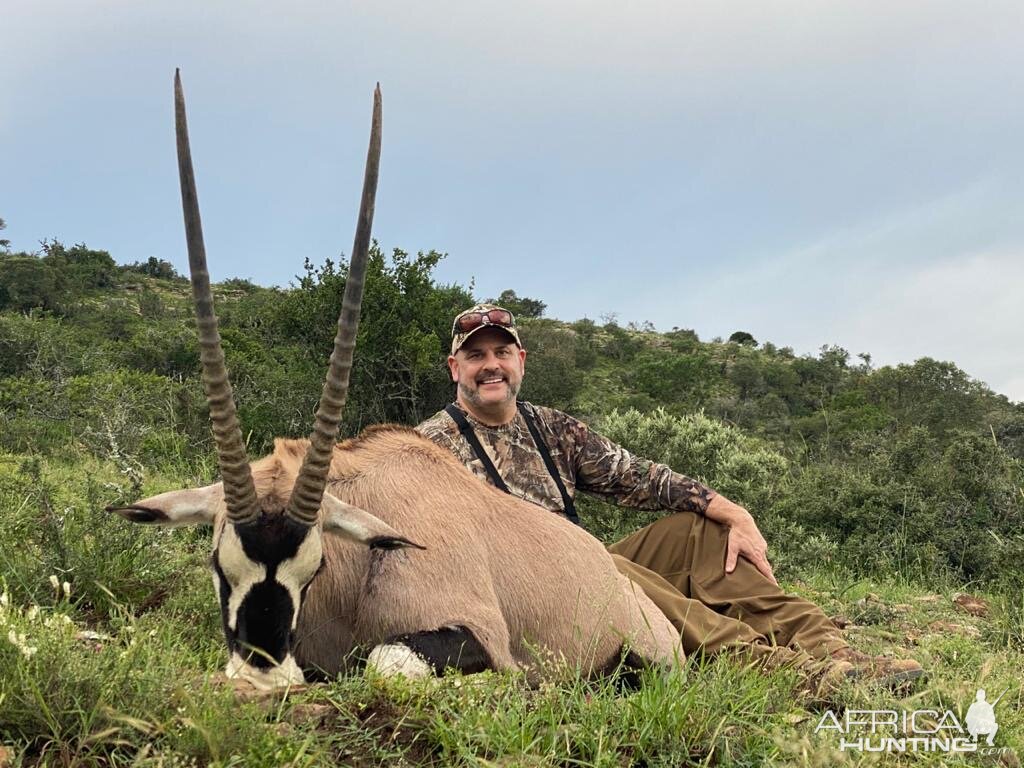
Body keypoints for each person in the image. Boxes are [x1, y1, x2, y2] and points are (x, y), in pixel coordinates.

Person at [416, 304, 924, 687]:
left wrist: (733, 511)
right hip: (525, 603)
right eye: (475, 355)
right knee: (606, 567)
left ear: (520, 360)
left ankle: (832, 649)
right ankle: (775, 667)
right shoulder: (428, 450)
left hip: (584, 571)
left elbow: (641, 477)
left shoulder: (551, 427)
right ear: (454, 367)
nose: (491, 365)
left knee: (696, 531)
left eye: (501, 352)